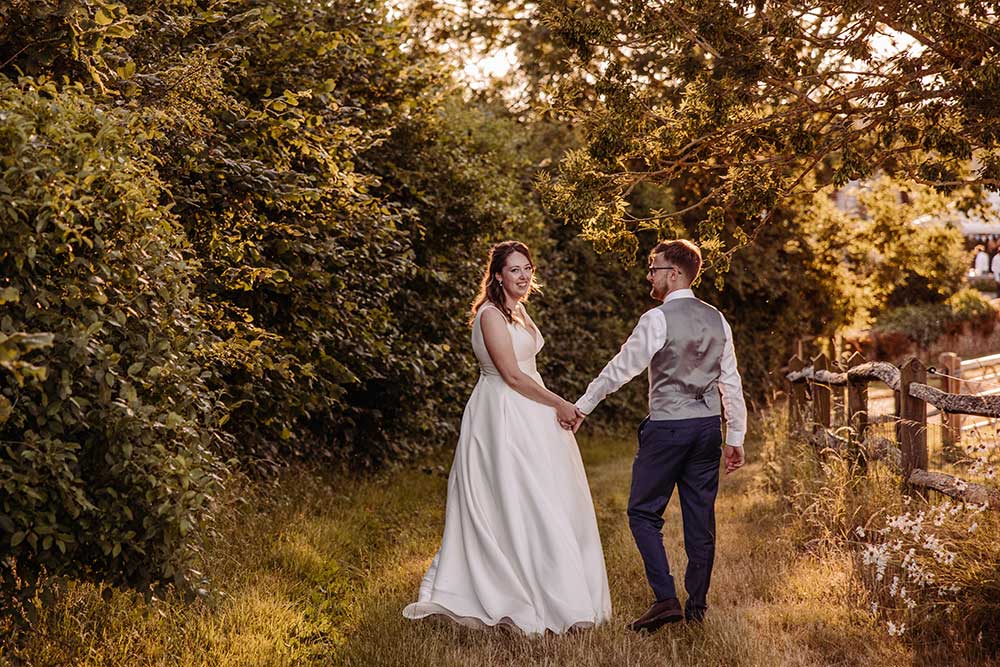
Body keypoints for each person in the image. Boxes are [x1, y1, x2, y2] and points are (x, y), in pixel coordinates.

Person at [402, 240, 611, 635]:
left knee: (546, 497)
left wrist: (549, 408)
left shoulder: (519, 312)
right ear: (497, 274)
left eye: (528, 268)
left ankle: (557, 587)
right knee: (515, 497)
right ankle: (512, 590)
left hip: (531, 412)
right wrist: (561, 404)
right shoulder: (490, 316)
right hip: (502, 413)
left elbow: (528, 372)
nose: (524, 275)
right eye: (515, 269)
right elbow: (513, 375)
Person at [570, 239, 747, 631]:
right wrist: (734, 435)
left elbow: (621, 368)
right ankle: (697, 609)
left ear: (674, 273)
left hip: (667, 429)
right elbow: (730, 382)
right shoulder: (717, 318)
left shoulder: (656, 319)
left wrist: (583, 406)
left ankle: (666, 599)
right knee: (700, 520)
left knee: (642, 512)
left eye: (654, 268)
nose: (649, 275)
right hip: (706, 429)